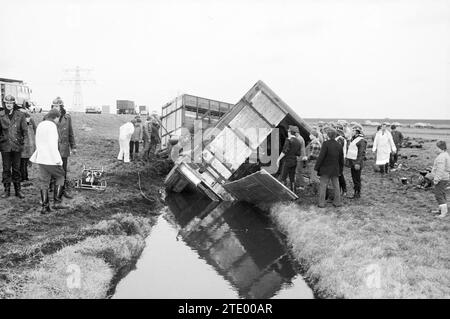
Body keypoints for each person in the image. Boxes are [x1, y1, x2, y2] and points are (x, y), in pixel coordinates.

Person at [30, 108, 67, 214]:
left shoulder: (41, 124)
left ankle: (45, 207)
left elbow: (37, 141)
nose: (57, 121)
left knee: (44, 181)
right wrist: (58, 160)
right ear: (55, 117)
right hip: (51, 158)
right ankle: (57, 202)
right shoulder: (52, 127)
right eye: (58, 118)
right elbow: (52, 145)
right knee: (60, 176)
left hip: (41, 158)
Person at [0, 95, 28, 199]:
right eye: (7, 103)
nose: (9, 105)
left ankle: (18, 190)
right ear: (4, 103)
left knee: (16, 169)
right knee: (6, 168)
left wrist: (23, 143)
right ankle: (6, 190)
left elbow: (25, 130)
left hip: (17, 146)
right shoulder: (1, 115)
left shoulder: (20, 115)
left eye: (11, 103)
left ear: (13, 104)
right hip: (5, 146)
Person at [50, 97, 76, 198]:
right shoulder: (49, 118)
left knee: (63, 170)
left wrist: (73, 146)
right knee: (52, 168)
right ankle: (52, 187)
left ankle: (62, 189)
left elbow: (71, 133)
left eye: (57, 106)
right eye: (54, 106)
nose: (56, 107)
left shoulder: (67, 118)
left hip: (64, 148)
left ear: (61, 106)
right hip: (53, 148)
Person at [314, 129, 344, 208]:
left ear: (328, 135)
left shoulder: (325, 144)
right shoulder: (339, 145)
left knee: (323, 186)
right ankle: (337, 202)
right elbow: (341, 159)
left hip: (325, 169)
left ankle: (321, 203)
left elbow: (321, 157)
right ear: (335, 136)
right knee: (336, 186)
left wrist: (316, 167)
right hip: (335, 169)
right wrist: (341, 170)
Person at [276, 126, 301, 192]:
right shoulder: (298, 141)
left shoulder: (289, 140)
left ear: (289, 132)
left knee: (283, 177)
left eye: (288, 131)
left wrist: (278, 159)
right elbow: (298, 153)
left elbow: (284, 151)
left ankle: (281, 193)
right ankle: (293, 192)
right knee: (292, 178)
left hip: (287, 161)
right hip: (294, 161)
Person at [428, 141, 449, 218]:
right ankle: (442, 210)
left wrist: (436, 179)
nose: (435, 150)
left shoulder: (441, 157)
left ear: (441, 148)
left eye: (436, 148)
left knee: (438, 194)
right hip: (444, 178)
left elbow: (440, 170)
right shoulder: (445, 155)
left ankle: (443, 213)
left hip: (441, 179)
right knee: (442, 194)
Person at [346, 125, 367, 199]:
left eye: (353, 131)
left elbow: (361, 153)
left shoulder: (361, 140)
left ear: (357, 132)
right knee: (354, 178)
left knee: (357, 178)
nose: (352, 132)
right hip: (353, 162)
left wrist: (358, 163)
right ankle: (356, 193)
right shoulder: (354, 139)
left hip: (357, 163)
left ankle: (357, 193)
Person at [20, 111, 37, 183]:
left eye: (29, 118)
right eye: (27, 118)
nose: (28, 119)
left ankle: (24, 177)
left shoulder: (30, 123)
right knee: (23, 162)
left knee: (23, 162)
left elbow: (35, 131)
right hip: (25, 146)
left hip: (27, 146)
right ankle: (24, 177)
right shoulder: (26, 123)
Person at [305, 130, 322, 195]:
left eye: (310, 134)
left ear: (313, 135)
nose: (309, 136)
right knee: (312, 177)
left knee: (314, 178)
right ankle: (314, 192)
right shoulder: (315, 142)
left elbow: (313, 154)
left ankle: (320, 192)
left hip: (313, 162)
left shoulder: (315, 143)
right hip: (313, 162)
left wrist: (306, 158)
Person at [292, 126, 308, 191]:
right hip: (301, 157)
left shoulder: (298, 139)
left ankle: (301, 185)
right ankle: (300, 185)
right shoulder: (299, 138)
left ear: (295, 133)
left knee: (298, 172)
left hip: (299, 157)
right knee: (298, 172)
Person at [335, 127, 348, 197]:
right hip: (341, 158)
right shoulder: (341, 139)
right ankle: (341, 190)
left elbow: (338, 150)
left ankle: (344, 190)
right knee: (339, 175)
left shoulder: (339, 139)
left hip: (339, 159)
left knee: (340, 175)